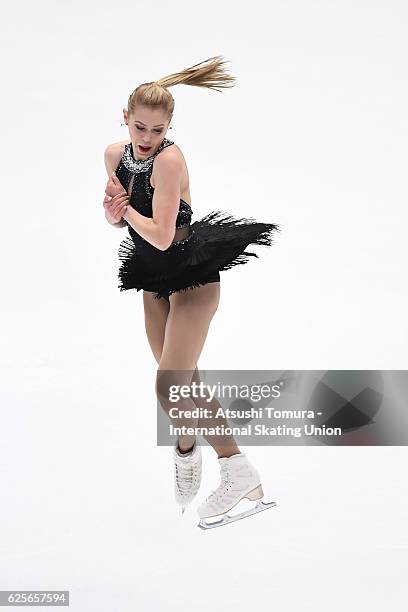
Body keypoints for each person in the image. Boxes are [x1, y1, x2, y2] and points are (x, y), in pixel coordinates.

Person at [103, 56, 280, 529]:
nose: (147, 138)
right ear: (125, 116)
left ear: (169, 128)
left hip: (192, 274)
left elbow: (160, 234)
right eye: (140, 126)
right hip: (152, 278)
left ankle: (236, 470)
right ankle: (187, 451)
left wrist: (126, 214)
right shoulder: (113, 155)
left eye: (157, 130)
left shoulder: (170, 159)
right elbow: (118, 220)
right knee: (184, 385)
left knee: (169, 385)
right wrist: (113, 210)